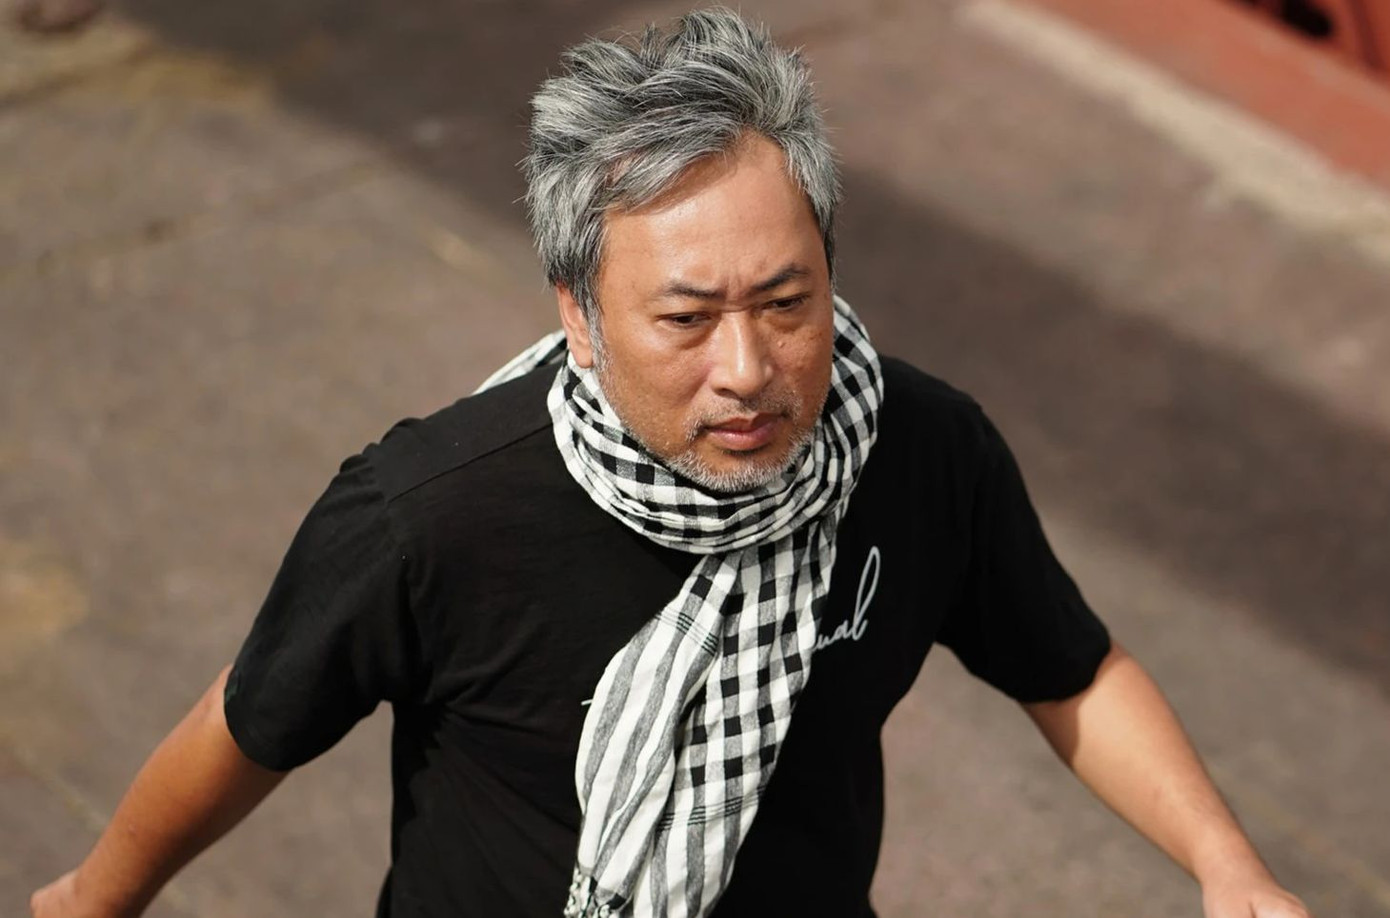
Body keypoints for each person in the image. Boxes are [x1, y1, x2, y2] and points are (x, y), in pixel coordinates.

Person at [31, 8, 1313, 918]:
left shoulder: (920, 448)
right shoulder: (431, 515)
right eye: (686, 319)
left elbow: (1068, 667)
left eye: (788, 303)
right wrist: (94, 899)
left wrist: (1225, 866)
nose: (748, 369)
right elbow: (251, 719)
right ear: (579, 316)